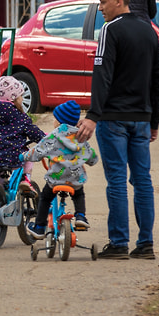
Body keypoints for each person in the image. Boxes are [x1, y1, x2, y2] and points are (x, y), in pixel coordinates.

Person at [76, 0, 159, 260]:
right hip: (141, 119)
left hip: (113, 118)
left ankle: (118, 243)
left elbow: (102, 74)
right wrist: (155, 120)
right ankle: (146, 243)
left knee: (116, 181)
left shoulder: (110, 30)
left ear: (118, 0)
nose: (99, 8)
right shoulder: (148, 31)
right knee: (142, 180)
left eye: (102, 2)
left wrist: (93, 115)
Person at [22, 100, 99, 239]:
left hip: (56, 179)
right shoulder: (80, 136)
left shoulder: (54, 135)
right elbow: (91, 156)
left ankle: (39, 227)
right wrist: (93, 161)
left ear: (59, 122)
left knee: (45, 197)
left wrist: (24, 156)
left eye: (55, 118)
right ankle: (81, 216)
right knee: (79, 193)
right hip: (75, 179)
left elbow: (38, 151)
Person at [0, 75, 46, 192]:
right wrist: (44, 138)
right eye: (21, 96)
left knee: (0, 187)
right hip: (15, 157)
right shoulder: (20, 117)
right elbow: (33, 132)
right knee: (28, 154)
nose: (22, 99)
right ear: (14, 98)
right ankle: (26, 179)